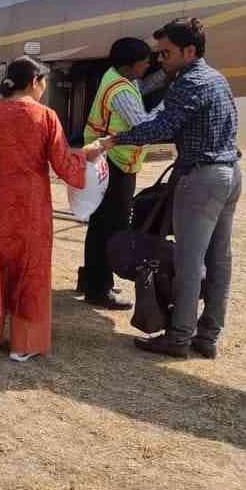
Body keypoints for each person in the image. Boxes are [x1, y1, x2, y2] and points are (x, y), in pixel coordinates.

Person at [98, 17, 241, 359]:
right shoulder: (216, 79)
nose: (161, 61)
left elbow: (159, 127)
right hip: (230, 172)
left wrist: (113, 140)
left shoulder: (189, 82)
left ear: (189, 51)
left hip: (202, 178)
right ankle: (207, 336)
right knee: (219, 258)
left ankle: (178, 336)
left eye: (166, 53)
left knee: (190, 262)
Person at [0, 56, 104, 361]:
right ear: (34, 81)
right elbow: (64, 166)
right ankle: (24, 346)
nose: (44, 88)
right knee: (29, 273)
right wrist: (87, 155)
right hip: (30, 209)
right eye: (44, 82)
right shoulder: (45, 116)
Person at [79, 37, 170, 308]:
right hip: (116, 163)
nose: (148, 66)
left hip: (107, 161)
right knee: (111, 227)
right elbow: (143, 126)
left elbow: (139, 88)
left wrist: (162, 78)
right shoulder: (121, 92)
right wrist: (169, 105)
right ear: (131, 65)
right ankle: (99, 288)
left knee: (99, 225)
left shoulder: (115, 77)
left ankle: (90, 280)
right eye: (145, 62)